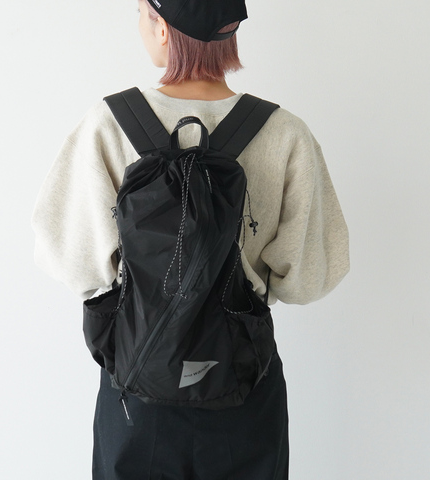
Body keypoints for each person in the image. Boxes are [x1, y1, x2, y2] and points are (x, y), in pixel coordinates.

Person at [32, 0, 350, 478]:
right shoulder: (285, 133)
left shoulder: (109, 124)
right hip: (242, 387)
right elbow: (309, 279)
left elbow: (71, 259)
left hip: (138, 395)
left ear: (162, 28)